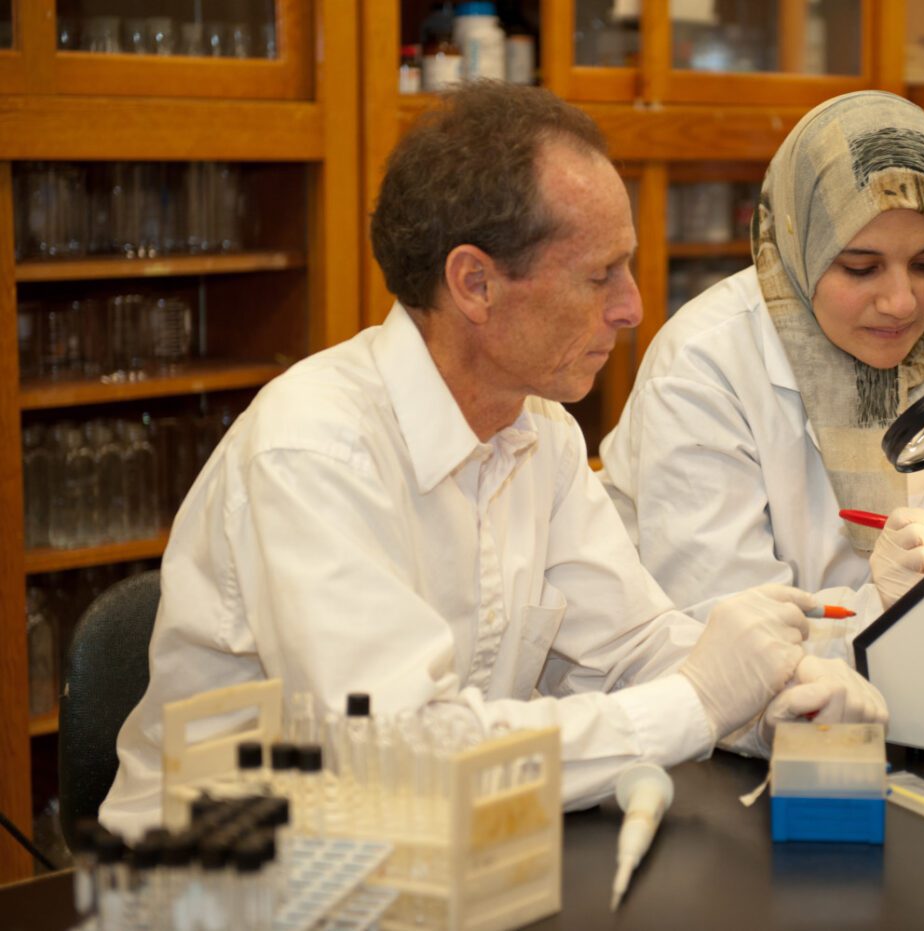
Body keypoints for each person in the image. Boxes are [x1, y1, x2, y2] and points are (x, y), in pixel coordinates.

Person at [101, 83, 884, 838]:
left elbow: (627, 650)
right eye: (598, 274)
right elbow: (404, 758)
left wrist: (784, 688)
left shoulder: (540, 432)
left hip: (430, 856)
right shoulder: (311, 454)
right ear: (474, 282)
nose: (633, 307)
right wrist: (696, 700)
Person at [599, 90, 924, 631]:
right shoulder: (704, 364)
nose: (901, 302)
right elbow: (725, 624)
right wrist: (882, 606)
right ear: (798, 242)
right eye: (859, 267)